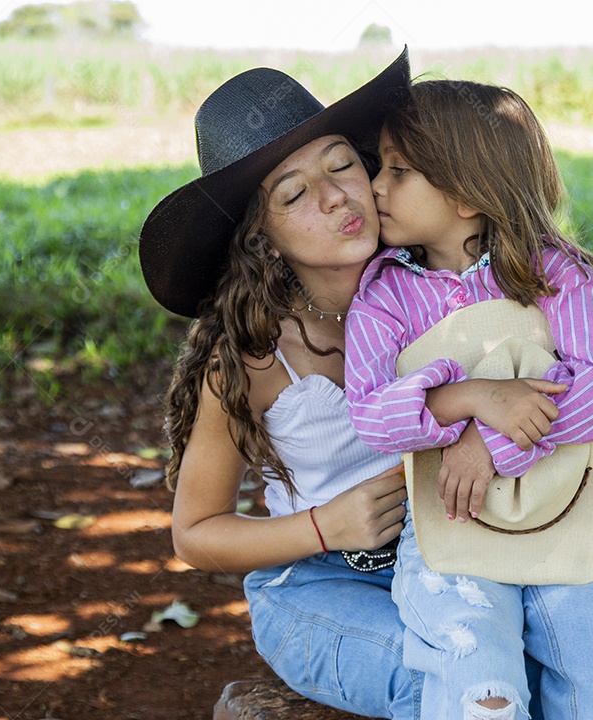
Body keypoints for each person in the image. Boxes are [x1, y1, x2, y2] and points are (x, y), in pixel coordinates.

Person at [344, 79, 593, 719]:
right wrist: (473, 397)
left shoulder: (561, 277)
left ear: (465, 193)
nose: (374, 185)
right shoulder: (386, 296)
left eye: (398, 170)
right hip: (450, 534)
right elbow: (373, 416)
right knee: (482, 686)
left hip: (568, 522)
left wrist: (487, 444)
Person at [138, 50, 421, 719]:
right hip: (313, 584)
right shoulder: (253, 360)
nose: (333, 198)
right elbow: (196, 533)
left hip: (445, 557)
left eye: (340, 164)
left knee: (523, 665)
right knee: (437, 678)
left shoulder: (431, 290)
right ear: (263, 237)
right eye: (293, 194)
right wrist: (328, 525)